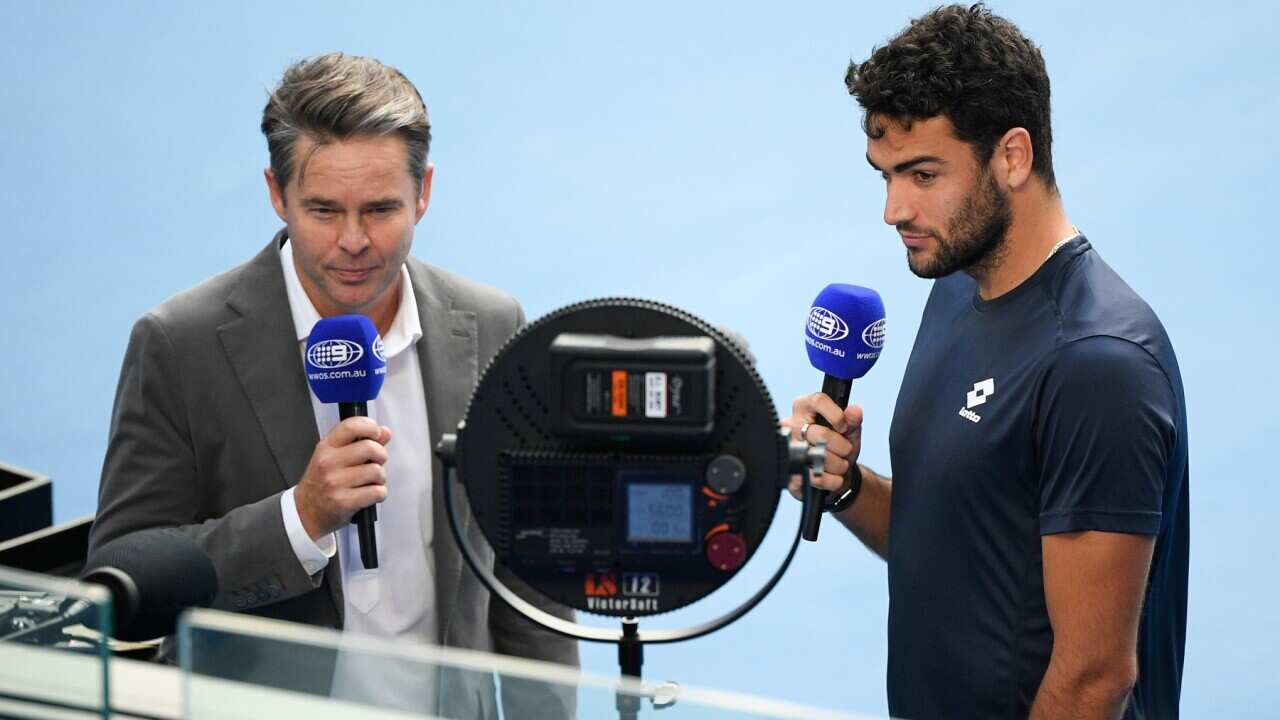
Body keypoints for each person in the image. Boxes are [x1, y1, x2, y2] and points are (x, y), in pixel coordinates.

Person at [90, 53, 577, 717]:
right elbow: (124, 579)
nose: (353, 242)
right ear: (276, 192)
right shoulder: (180, 345)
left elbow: (530, 579)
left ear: (424, 192)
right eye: (323, 210)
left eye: (381, 209)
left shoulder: (492, 327)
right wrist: (300, 518)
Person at [788, 6, 1188, 719]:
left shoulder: (1099, 364)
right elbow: (954, 536)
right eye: (884, 176)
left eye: (922, 174)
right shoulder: (953, 289)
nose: (893, 209)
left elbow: (1094, 678)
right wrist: (847, 486)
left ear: (1012, 157)